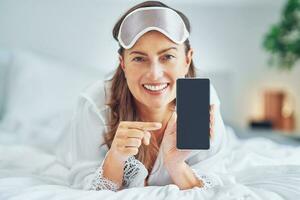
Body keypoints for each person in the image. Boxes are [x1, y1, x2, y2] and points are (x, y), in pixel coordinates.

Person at [55, 1, 233, 192]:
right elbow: (87, 186)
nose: (155, 74)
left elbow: (213, 189)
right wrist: (115, 158)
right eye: (139, 58)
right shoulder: (96, 103)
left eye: (168, 56)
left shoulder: (202, 101)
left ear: (187, 59)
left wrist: (176, 165)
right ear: (123, 63)